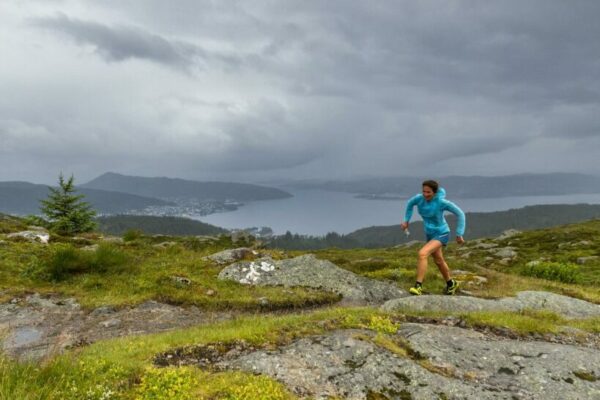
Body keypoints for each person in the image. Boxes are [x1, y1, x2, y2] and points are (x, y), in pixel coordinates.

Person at [400, 180, 466, 295]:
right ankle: (451, 283)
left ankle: (418, 286)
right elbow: (410, 204)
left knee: (422, 254)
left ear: (434, 193)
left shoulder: (441, 202)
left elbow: (460, 214)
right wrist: (406, 220)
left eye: (429, 192)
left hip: (442, 233)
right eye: (424, 191)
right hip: (430, 234)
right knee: (439, 261)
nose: (425, 194)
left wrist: (459, 233)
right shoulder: (419, 199)